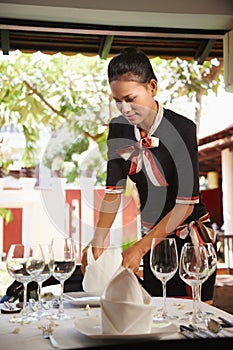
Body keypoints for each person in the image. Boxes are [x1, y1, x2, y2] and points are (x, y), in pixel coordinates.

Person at [81, 47, 216, 301]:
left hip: (190, 240)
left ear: (152, 87)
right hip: (153, 239)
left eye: (131, 98)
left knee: (193, 318)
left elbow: (185, 206)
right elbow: (113, 193)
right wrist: (97, 241)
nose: (125, 108)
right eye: (118, 101)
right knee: (158, 315)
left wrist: (139, 249)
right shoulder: (119, 130)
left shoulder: (182, 129)